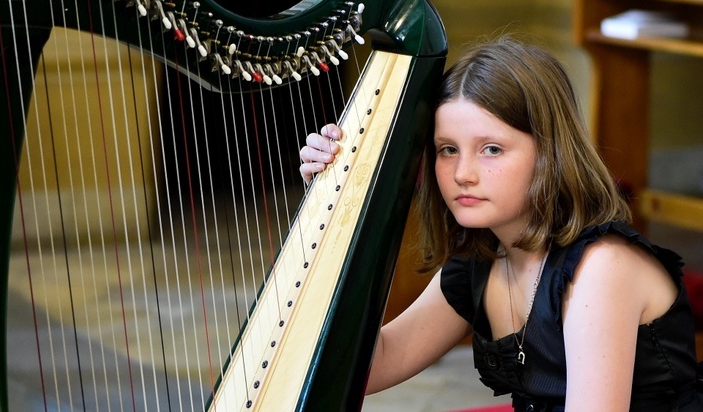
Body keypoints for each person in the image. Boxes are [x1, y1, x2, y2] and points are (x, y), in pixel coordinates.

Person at [299, 36, 703, 411]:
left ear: (550, 152)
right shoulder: (481, 261)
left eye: (491, 149)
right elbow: (370, 367)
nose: (463, 174)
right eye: (448, 150)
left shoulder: (600, 268)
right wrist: (332, 204)